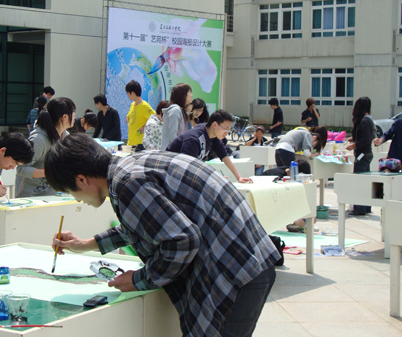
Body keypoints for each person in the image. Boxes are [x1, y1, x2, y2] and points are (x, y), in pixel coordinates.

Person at [44, 133, 279, 337]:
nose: (77, 200)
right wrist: (86, 244)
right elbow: (148, 224)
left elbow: (182, 240)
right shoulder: (131, 166)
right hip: (249, 262)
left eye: (71, 192)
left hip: (235, 274)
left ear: (82, 180)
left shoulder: (127, 183)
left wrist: (139, 279)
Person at [166, 109, 252, 183]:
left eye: (228, 130)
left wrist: (239, 177)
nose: (227, 133)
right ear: (214, 125)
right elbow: (188, 168)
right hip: (170, 174)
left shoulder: (212, 134)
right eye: (225, 129)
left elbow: (224, 156)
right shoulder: (194, 139)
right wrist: (213, 178)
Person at [15, 97, 76, 197]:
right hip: (29, 196)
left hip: (52, 194)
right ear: (64, 117)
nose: (74, 115)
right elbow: (21, 169)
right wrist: (49, 173)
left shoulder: (66, 137)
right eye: (73, 112)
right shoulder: (38, 140)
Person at [345, 97, 375, 215]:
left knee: (359, 182)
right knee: (365, 182)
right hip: (366, 154)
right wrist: (354, 138)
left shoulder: (364, 121)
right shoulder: (369, 120)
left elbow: (366, 139)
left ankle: (359, 209)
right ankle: (366, 207)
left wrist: (354, 145)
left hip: (362, 155)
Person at [161, 83, 193, 150]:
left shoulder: (180, 110)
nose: (191, 95)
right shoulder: (175, 110)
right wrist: (182, 149)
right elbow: (172, 134)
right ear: (183, 95)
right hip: (171, 152)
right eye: (189, 92)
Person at [125, 80, 155, 151]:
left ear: (132, 93)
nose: (127, 95)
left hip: (140, 144)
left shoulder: (145, 106)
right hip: (130, 142)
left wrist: (145, 128)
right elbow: (128, 117)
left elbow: (156, 119)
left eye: (127, 93)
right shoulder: (132, 105)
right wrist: (129, 124)